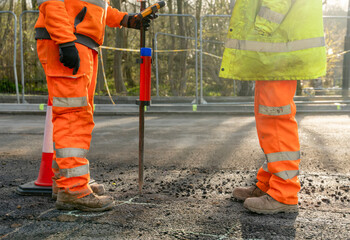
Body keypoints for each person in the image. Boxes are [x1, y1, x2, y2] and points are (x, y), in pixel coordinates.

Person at [34, 0, 153, 212]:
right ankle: (73, 188)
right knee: (73, 115)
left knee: (78, 113)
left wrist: (126, 19)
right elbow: (52, 2)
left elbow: (96, 8)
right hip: (70, 40)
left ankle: (65, 182)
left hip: (81, 43)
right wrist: (65, 40)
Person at [220, 0, 326, 214]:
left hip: (278, 48)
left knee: (276, 120)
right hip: (274, 50)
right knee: (268, 119)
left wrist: (261, 27)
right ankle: (268, 183)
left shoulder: (267, 30)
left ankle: (284, 193)